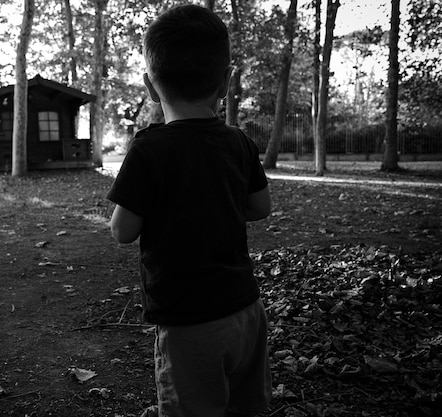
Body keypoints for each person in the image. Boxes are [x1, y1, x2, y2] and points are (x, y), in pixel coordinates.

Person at [106, 5, 272, 417]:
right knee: (246, 407)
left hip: (188, 324)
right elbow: (260, 207)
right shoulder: (241, 143)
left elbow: (123, 230)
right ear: (228, 81)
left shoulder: (148, 149)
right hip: (246, 313)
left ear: (149, 86)